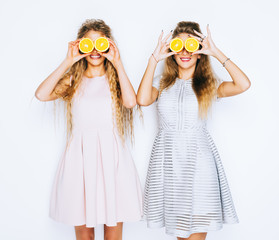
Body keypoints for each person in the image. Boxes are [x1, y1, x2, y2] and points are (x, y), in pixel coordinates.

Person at [137, 21, 251, 240]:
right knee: (180, 234)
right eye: (178, 46)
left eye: (191, 45)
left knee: (196, 231)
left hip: (199, 164)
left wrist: (216, 52)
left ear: (200, 53)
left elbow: (243, 84)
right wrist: (154, 59)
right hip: (168, 162)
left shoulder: (210, 84)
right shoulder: (162, 83)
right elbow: (142, 100)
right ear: (171, 52)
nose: (184, 51)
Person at [35, 19, 143, 240]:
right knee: (84, 234)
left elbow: (131, 102)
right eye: (88, 44)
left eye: (100, 44)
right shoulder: (73, 80)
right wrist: (68, 61)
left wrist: (118, 63)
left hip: (112, 160)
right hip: (80, 160)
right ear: (80, 47)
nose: (94, 50)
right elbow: (41, 94)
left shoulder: (114, 80)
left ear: (109, 46)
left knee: (113, 232)